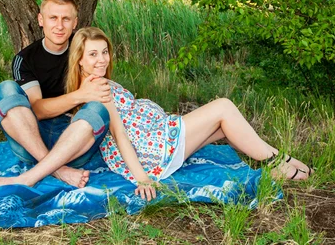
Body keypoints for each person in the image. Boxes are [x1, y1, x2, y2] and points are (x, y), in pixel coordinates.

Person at [65, 27, 313, 201]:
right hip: (152, 149)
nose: (102, 59)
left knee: (221, 127)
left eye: (104, 52)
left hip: (157, 134)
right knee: (224, 106)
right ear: (79, 60)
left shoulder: (94, 82)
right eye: (93, 54)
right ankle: (276, 160)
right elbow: (119, 135)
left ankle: (278, 161)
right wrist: (142, 178)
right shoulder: (97, 88)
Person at [0, 0, 112, 189]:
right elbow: (37, 109)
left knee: (98, 110)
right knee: (5, 89)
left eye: (66, 19)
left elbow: (100, 99)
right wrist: (80, 95)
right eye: (53, 18)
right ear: (41, 20)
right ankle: (58, 170)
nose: (59, 26)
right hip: (32, 140)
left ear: (75, 23)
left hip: (73, 145)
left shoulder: (86, 52)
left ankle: (28, 177)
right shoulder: (25, 58)